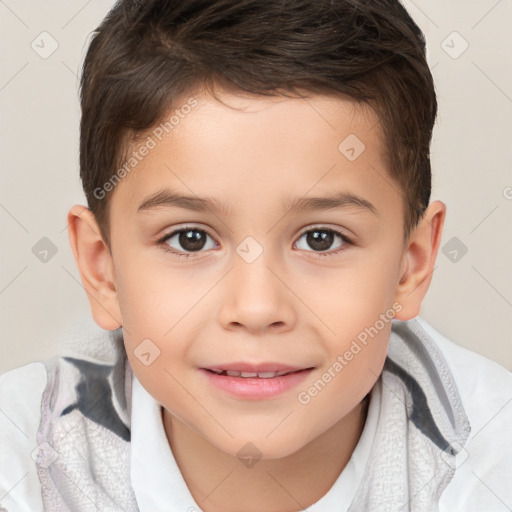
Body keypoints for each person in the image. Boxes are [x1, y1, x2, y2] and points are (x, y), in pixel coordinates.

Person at [1, 0, 511, 511]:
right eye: (190, 239)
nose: (257, 308)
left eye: (321, 239)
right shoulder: (21, 462)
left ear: (411, 263)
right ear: (102, 269)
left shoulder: (492, 466)